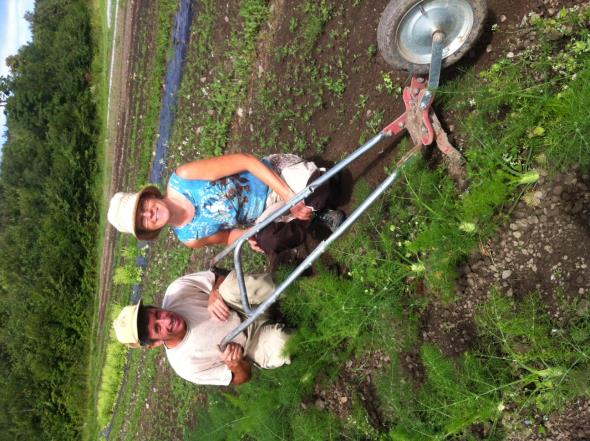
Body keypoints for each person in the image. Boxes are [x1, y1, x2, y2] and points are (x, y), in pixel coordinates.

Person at [108, 153, 344, 254]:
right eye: (142, 222)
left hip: (274, 177)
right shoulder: (190, 237)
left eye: (143, 207)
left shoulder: (184, 178)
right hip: (268, 213)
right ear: (149, 230)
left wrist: (288, 196)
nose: (148, 214)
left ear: (149, 196)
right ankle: (316, 212)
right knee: (269, 241)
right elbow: (227, 236)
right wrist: (248, 237)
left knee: (324, 182)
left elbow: (246, 162)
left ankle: (313, 203)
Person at [113, 270, 291, 385]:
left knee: (228, 287)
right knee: (283, 343)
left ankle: (297, 287)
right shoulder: (185, 365)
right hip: (252, 343)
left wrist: (214, 292)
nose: (166, 320)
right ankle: (303, 326)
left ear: (154, 307)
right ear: (155, 344)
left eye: (158, 314)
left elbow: (219, 276)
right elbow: (242, 377)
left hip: (243, 304)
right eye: (158, 329)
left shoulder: (177, 291)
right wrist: (235, 364)